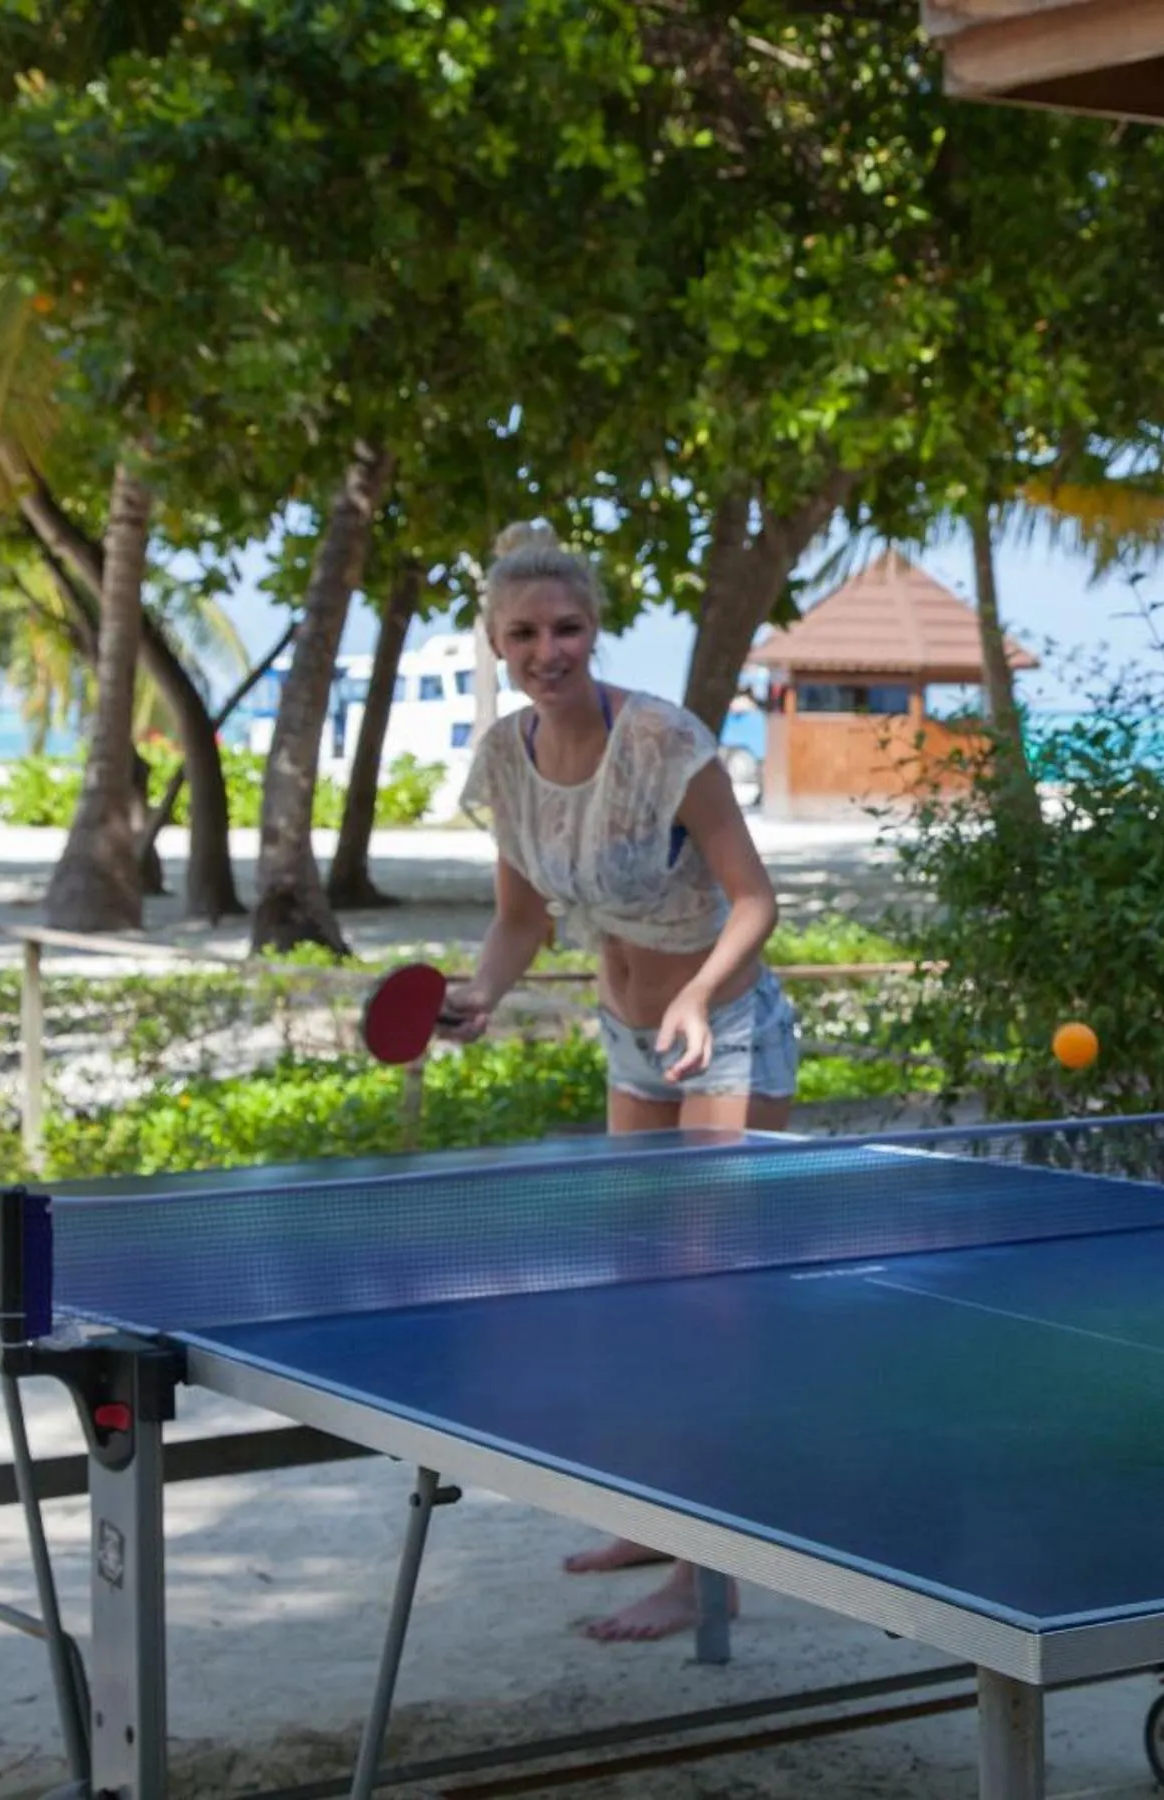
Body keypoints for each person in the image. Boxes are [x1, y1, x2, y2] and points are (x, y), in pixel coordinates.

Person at [446, 521, 800, 1643]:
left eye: (569, 628)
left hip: (726, 1029)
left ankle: (712, 1574)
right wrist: (481, 993)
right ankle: (656, 1520)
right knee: (642, 1293)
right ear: (498, 646)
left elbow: (755, 900)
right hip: (623, 1036)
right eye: (525, 633)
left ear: (592, 631)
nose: (549, 649)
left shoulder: (662, 740)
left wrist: (697, 997)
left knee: (706, 1302)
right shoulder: (505, 756)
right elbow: (519, 918)